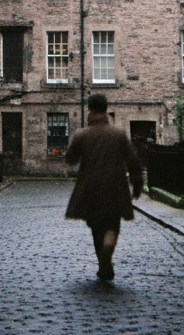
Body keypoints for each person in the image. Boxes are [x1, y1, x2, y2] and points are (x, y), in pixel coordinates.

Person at [64, 93, 143, 282]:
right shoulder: (119, 134)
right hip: (115, 186)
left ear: (89, 110)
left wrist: (70, 166)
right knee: (112, 224)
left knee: (96, 226)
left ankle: (103, 263)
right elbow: (133, 161)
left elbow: (70, 159)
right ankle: (108, 252)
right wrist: (137, 183)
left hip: (90, 187)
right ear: (107, 109)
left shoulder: (82, 134)